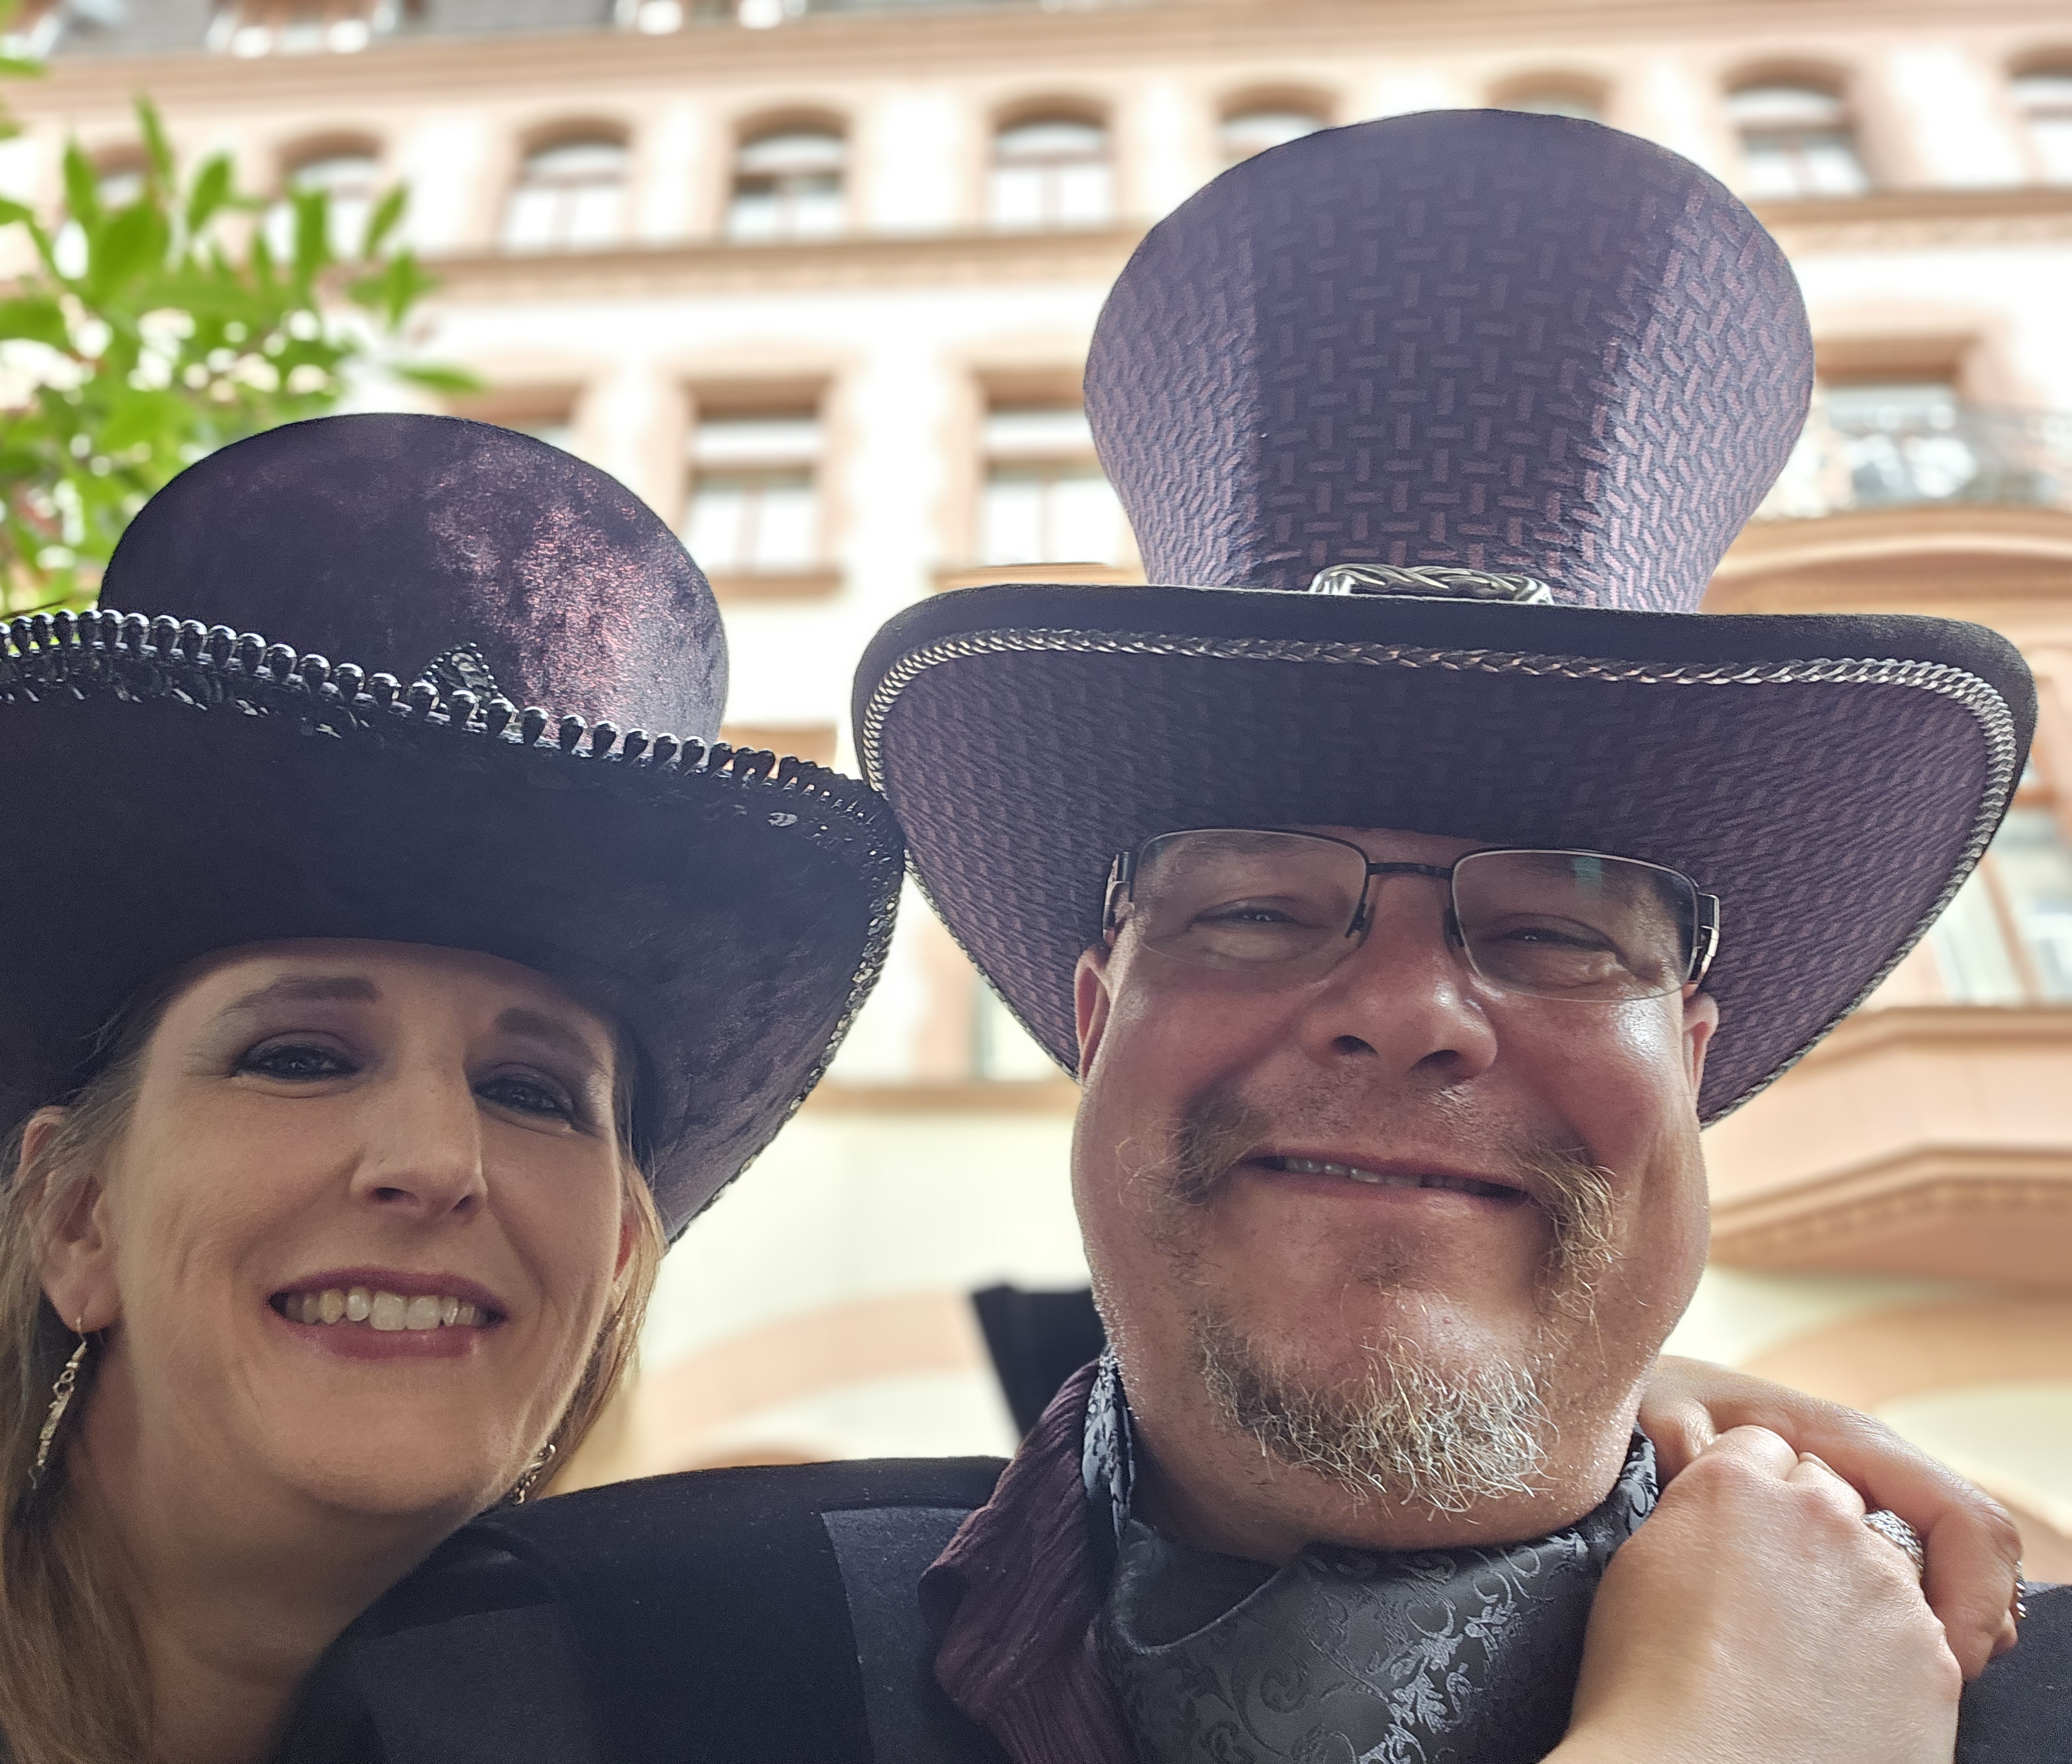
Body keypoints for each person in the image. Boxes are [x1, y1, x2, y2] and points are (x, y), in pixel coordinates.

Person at [289, 113, 2055, 1764]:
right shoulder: (563, 1680)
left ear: (1692, 1061)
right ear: (1093, 1021)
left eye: (1556, 934)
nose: (1407, 1008)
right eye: (1256, 912)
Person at [0, 412, 905, 1764]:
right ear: (74, 1219)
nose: (435, 1159)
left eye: (532, 1091)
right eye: (299, 1058)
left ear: (618, 1258)